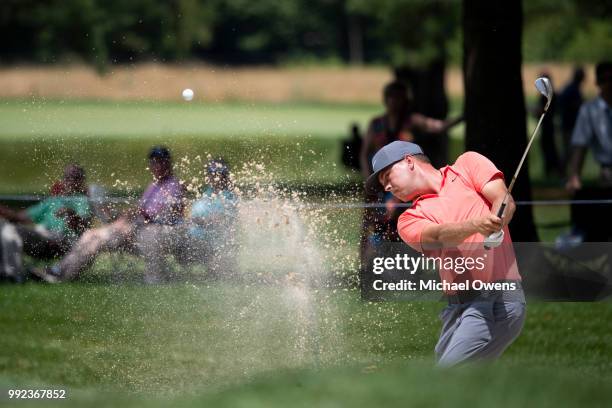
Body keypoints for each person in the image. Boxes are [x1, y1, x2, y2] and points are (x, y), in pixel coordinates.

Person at [366, 141, 525, 366]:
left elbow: (503, 199)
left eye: (387, 177)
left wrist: (498, 223)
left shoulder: (468, 165)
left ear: (409, 162)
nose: (387, 188)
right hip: (458, 307)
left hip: (498, 301)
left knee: (446, 381)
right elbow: (437, 237)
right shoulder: (409, 219)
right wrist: (476, 226)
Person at [34, 146, 186, 283]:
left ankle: (62, 273)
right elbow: (141, 210)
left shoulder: (173, 186)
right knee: (90, 236)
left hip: (154, 231)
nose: (156, 165)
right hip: (137, 229)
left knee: (98, 238)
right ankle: (60, 269)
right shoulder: (154, 185)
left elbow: (160, 214)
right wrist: (123, 214)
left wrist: (131, 215)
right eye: (153, 162)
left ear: (168, 163)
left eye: (160, 161)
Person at [0, 164, 91, 281]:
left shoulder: (82, 201)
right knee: (5, 228)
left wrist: (71, 213)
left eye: (74, 177)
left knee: (9, 230)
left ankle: (13, 275)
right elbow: (20, 217)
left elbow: (84, 226)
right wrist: (3, 211)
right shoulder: (53, 200)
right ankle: (9, 273)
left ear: (81, 180)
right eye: (66, 177)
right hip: (40, 235)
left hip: (60, 240)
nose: (69, 180)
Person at [188, 158, 238, 278]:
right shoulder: (207, 193)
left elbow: (221, 220)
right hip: (197, 238)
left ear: (225, 176)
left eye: (219, 174)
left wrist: (201, 220)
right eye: (211, 174)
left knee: (219, 275)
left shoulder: (230, 196)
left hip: (218, 243)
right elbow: (193, 216)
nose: (215, 177)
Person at [566, 62, 612, 192]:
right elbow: (580, 145)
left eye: (611, 79)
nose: (608, 84)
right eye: (604, 80)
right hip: (608, 174)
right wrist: (574, 175)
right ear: (597, 82)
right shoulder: (589, 110)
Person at [557, 67, 585, 168]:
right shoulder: (572, 89)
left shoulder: (572, 88)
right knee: (569, 150)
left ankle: (563, 171)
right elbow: (566, 104)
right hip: (569, 124)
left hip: (570, 124)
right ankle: (561, 170)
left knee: (570, 150)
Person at [534, 72, 560, 176]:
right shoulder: (552, 94)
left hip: (547, 126)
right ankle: (553, 171)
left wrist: (533, 111)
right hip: (549, 126)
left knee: (548, 149)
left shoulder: (546, 96)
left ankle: (552, 171)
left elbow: (542, 111)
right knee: (549, 148)